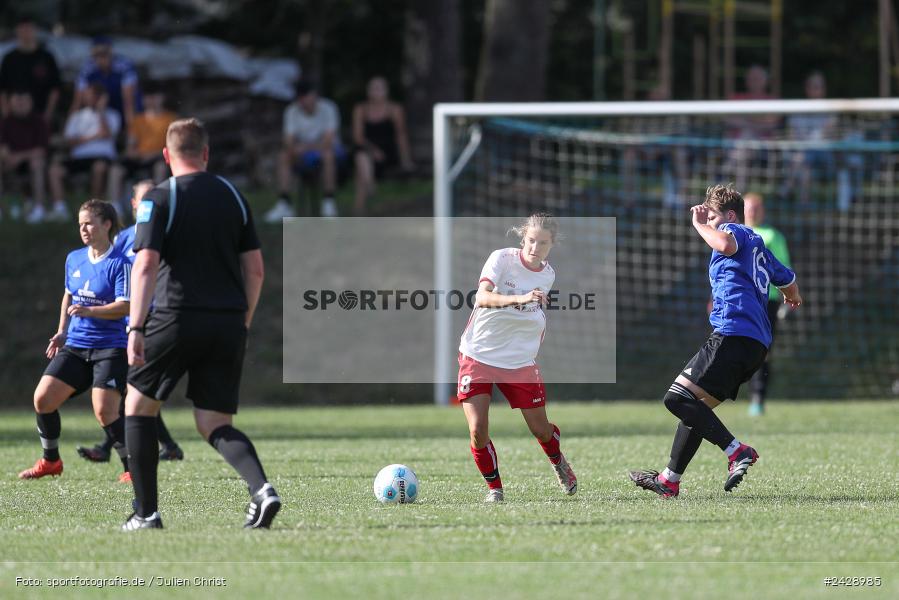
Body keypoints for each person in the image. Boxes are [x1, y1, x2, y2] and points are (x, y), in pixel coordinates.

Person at [122, 118, 277, 530]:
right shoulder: (233, 196)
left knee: (137, 406)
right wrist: (242, 321)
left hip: (177, 316)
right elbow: (256, 269)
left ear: (166, 155)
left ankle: (146, 514)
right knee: (214, 422)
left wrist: (136, 327)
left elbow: (145, 266)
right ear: (206, 153)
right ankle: (262, 490)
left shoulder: (159, 197)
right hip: (228, 321)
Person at [629, 184, 801, 498]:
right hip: (755, 345)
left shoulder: (734, 232)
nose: (709, 223)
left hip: (732, 334)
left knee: (675, 399)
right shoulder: (759, 246)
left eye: (713, 217)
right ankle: (669, 480)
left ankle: (737, 451)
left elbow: (724, 243)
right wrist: (794, 296)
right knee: (696, 408)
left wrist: (699, 224)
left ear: (731, 216)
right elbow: (787, 279)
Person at [456, 213, 577, 503]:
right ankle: (495, 489)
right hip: (478, 353)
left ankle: (557, 460)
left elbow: (529, 314)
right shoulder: (501, 259)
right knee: (477, 430)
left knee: (541, 430)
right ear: (523, 237)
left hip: (518, 361)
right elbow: (482, 298)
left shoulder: (548, 275)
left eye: (543, 243)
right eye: (531, 240)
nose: (535, 247)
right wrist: (519, 298)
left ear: (552, 245)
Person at [17, 200, 131, 483]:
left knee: (105, 412)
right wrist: (62, 331)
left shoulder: (120, 263)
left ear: (106, 224)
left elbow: (125, 306)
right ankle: (50, 461)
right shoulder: (74, 258)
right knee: (43, 399)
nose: (83, 229)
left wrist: (91, 311)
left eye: (89, 223)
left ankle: (133, 468)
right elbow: (68, 296)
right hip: (76, 345)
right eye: (80, 224)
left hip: (110, 347)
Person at [76, 180, 184, 463]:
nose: (151, 202)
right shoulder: (124, 238)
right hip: (128, 319)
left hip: (155, 317)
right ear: (134, 204)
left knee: (135, 385)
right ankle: (164, 445)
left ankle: (111, 447)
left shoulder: (168, 233)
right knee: (132, 386)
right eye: (144, 198)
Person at [265, 80, 346, 221]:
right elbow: (288, 140)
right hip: (303, 153)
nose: (303, 101)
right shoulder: (292, 110)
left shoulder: (328, 108)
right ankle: (284, 203)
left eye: (306, 96)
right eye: (300, 97)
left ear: (314, 95)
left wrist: (305, 147)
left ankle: (328, 202)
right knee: (284, 156)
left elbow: (328, 140)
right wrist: (295, 149)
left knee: (328, 155)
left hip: (327, 151)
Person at [743, 193, 791, 416]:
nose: (752, 212)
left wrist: (786, 298)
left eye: (756, 208)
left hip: (766, 301)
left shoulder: (772, 236)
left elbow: (783, 268)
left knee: (762, 351)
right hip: (741, 299)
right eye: (749, 208)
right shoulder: (732, 234)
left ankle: (758, 398)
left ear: (762, 211)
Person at [48, 82, 121, 220]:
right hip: (79, 158)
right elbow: (69, 141)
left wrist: (101, 112)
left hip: (102, 157)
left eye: (96, 95)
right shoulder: (77, 116)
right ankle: (59, 208)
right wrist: (94, 136)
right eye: (89, 95)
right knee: (54, 170)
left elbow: (107, 133)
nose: (91, 98)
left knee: (99, 168)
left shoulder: (113, 115)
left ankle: (95, 209)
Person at [351, 76, 414, 215]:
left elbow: (401, 135)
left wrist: (406, 160)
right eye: (373, 88)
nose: (377, 92)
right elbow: (358, 137)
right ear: (368, 91)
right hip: (366, 150)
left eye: (380, 88)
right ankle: (370, 188)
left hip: (387, 153)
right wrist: (373, 150)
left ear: (387, 91)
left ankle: (359, 212)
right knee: (361, 157)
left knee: (360, 169)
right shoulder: (360, 109)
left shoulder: (395, 109)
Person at [109, 87, 177, 212]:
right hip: (139, 158)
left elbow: (173, 145)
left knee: (160, 167)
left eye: (154, 96)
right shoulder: (138, 120)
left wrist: (153, 154)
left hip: (160, 157)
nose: (151, 100)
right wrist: (134, 153)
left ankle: (158, 203)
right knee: (116, 169)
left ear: (162, 98)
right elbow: (130, 145)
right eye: (148, 97)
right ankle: (115, 207)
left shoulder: (170, 119)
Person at [781, 72, 837, 206]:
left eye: (819, 86)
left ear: (824, 89)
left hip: (825, 156)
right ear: (807, 88)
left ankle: (786, 189)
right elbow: (792, 136)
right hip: (803, 155)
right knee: (804, 164)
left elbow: (831, 136)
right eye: (813, 86)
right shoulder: (798, 110)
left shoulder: (830, 112)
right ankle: (804, 203)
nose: (816, 90)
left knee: (803, 157)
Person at [724, 65, 781, 188]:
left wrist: (746, 120)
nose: (754, 82)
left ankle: (730, 169)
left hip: (763, 145)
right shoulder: (736, 98)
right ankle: (740, 192)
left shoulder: (771, 100)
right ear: (747, 81)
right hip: (739, 144)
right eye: (752, 78)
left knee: (745, 140)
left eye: (758, 78)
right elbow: (729, 119)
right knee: (744, 146)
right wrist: (757, 121)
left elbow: (772, 123)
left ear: (765, 81)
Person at [71, 36, 141, 130]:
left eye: (104, 54)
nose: (101, 59)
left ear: (111, 52)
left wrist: (131, 130)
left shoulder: (125, 66)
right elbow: (78, 100)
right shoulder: (86, 68)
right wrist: (70, 125)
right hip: (103, 109)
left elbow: (128, 101)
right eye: (97, 55)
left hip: (123, 105)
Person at [0, 16, 61, 122]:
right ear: (17, 31)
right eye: (23, 29)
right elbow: (2, 89)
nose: (26, 33)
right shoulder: (9, 59)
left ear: (35, 30)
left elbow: (54, 88)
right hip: (14, 117)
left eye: (29, 29)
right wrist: (5, 114)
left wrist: (48, 113)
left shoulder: (47, 57)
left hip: (40, 115)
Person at [0, 90, 48, 221]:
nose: (20, 105)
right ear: (11, 104)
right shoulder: (5, 122)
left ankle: (39, 209)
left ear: (31, 103)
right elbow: (3, 146)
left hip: (33, 162)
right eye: (17, 102)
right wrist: (6, 156)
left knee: (36, 162)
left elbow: (41, 150)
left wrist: (19, 157)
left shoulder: (39, 121)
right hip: (10, 162)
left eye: (23, 102)